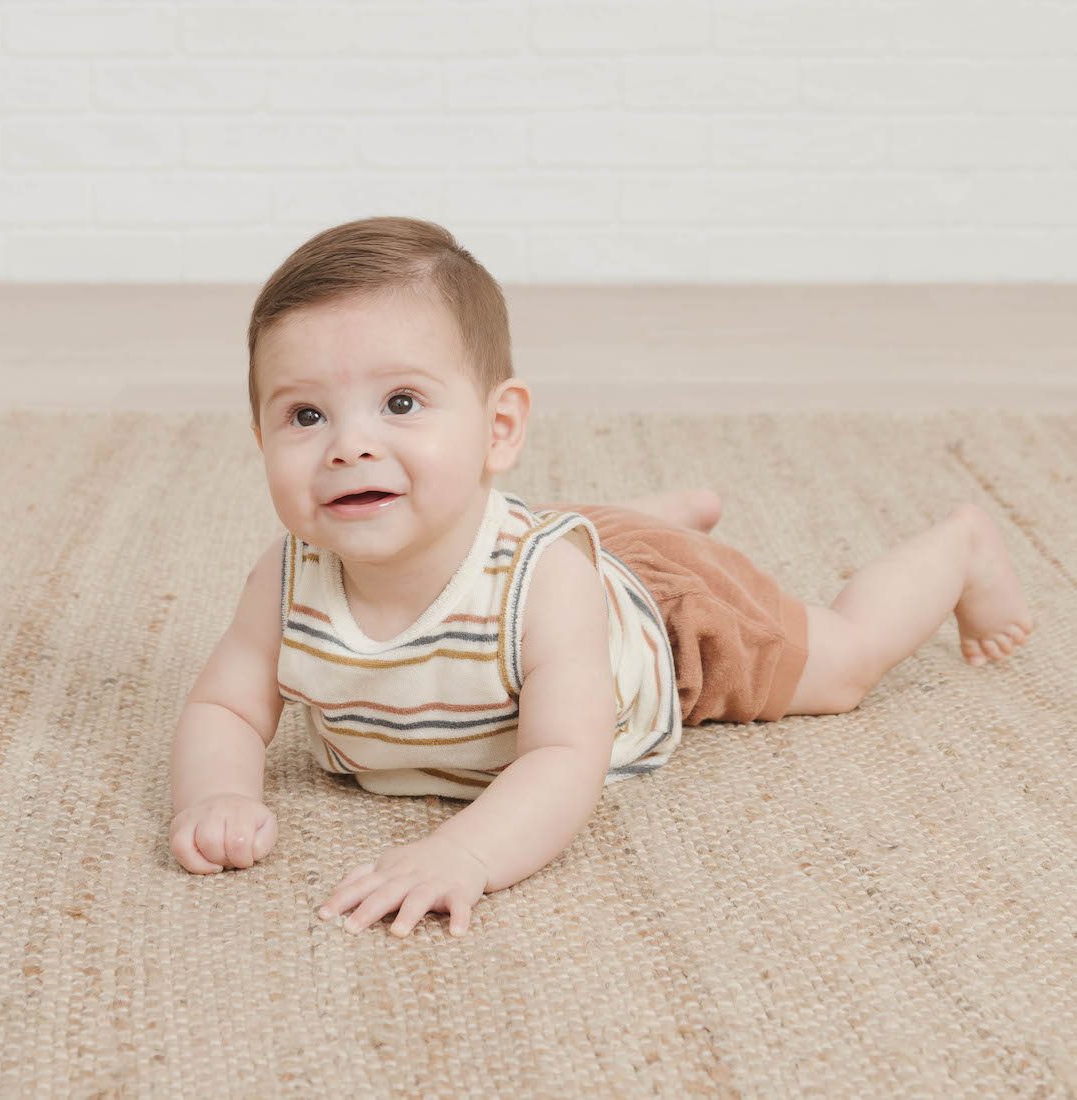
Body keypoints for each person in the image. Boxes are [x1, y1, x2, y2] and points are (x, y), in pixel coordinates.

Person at [168, 216, 1035, 939]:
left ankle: (957, 549)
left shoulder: (547, 588)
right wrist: (215, 795)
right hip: (531, 543)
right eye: (305, 414)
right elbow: (226, 708)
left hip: (660, 617)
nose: (348, 444)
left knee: (838, 667)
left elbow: (562, 755)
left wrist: (462, 853)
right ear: (260, 438)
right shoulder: (286, 580)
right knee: (560, 535)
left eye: (400, 403)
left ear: (499, 428)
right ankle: (640, 519)